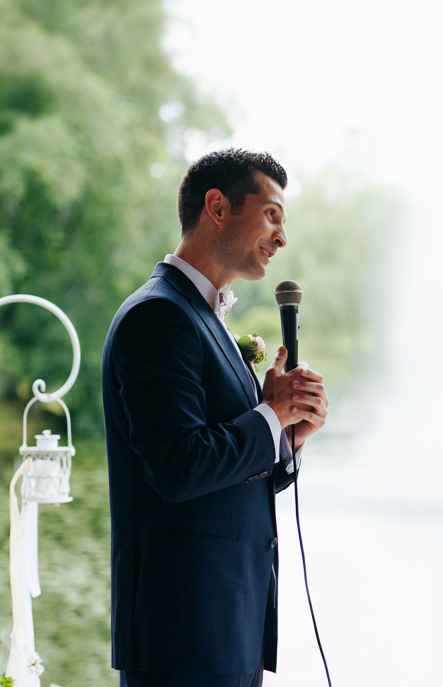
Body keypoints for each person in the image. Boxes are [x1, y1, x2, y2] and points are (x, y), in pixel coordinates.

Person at [102, 148, 329, 686]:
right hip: (183, 636)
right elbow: (178, 467)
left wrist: (287, 437)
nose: (281, 237)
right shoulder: (159, 315)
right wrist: (269, 415)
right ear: (217, 207)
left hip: (229, 628)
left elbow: (223, 477)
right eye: (272, 214)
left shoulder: (204, 316)